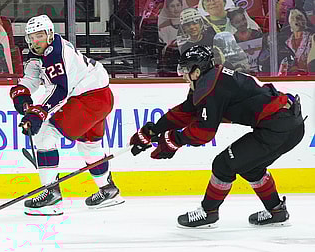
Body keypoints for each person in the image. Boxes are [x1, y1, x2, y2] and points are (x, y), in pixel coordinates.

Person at [130, 45, 305, 228]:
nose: (182, 74)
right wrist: (153, 131)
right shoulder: (211, 79)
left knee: (223, 165)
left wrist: (174, 141)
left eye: (184, 69)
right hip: (290, 125)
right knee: (250, 167)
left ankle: (208, 212)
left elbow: (204, 133)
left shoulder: (210, 88)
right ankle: (276, 210)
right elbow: (187, 111)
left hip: (278, 128)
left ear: (196, 71)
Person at [9, 15, 125, 216]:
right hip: (98, 96)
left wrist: (38, 113)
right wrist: (22, 93)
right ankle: (108, 191)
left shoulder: (56, 53)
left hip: (88, 98)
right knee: (89, 145)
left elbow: (60, 91)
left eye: (40, 35)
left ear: (50, 34)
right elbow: (32, 78)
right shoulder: (39, 52)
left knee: (45, 135)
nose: (36, 40)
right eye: (32, 36)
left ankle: (50, 196)